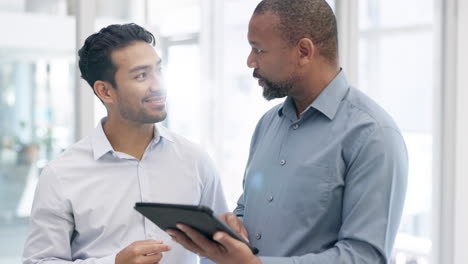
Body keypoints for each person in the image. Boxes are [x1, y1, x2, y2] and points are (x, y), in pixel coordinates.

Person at [168, 0, 408, 263]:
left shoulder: (373, 135)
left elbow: (365, 257)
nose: (250, 62)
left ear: (304, 51)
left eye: (259, 50)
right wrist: (231, 228)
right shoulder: (267, 124)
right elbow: (247, 209)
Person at [22, 23, 228, 264]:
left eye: (158, 70)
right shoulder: (61, 175)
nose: (158, 85)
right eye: (141, 75)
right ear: (105, 91)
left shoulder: (195, 160)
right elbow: (39, 261)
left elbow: (222, 251)